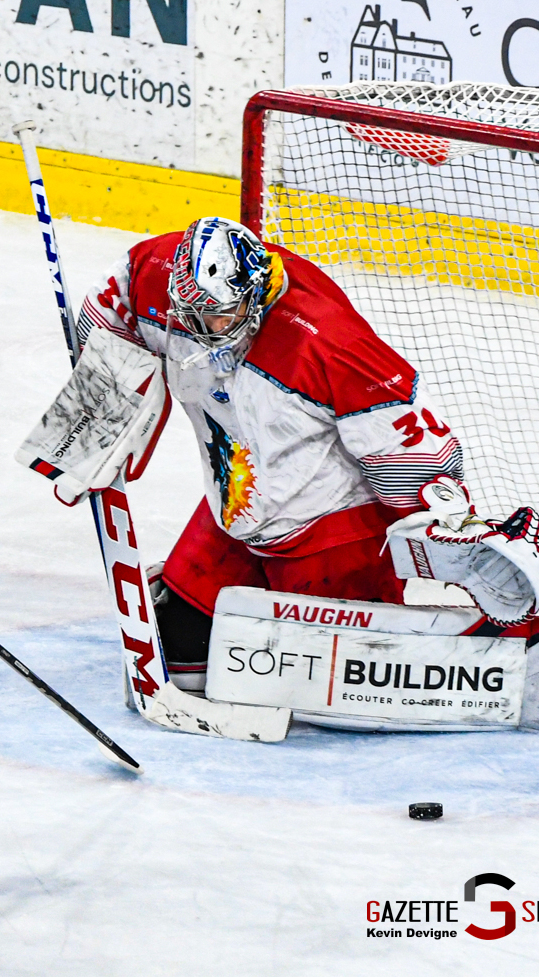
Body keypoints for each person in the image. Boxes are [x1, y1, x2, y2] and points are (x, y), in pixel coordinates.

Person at [76, 217, 468, 692]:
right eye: (191, 314)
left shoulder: (326, 340)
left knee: (334, 685)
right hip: (233, 509)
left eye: (219, 316)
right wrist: (99, 411)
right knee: (179, 662)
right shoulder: (156, 272)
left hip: (329, 531)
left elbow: (413, 450)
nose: (202, 330)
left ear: (254, 295)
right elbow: (110, 311)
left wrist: (449, 533)